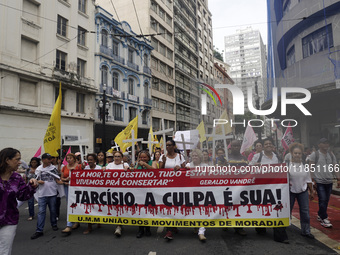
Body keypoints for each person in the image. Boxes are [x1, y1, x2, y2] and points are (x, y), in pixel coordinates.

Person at [249, 137, 288, 243]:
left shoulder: (278, 157)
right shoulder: (257, 156)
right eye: (266, 144)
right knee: (262, 207)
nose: (268, 145)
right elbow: (248, 169)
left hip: (276, 188)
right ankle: (261, 227)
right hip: (261, 188)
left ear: (273, 146)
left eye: (270, 143)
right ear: (263, 146)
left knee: (277, 209)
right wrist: (254, 166)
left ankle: (280, 235)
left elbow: (284, 170)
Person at [0, 148, 38, 255]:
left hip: (9, 220)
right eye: (17, 159)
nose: (20, 162)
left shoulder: (17, 178)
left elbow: (23, 196)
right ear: (7, 160)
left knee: (4, 251)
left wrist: (31, 186)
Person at [308, 138, 340, 228]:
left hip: (329, 181)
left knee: (325, 200)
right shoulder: (315, 155)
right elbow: (311, 168)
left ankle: (320, 214)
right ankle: (324, 218)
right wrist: (312, 180)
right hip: (319, 181)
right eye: (324, 143)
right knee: (322, 199)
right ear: (319, 145)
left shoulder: (331, 154)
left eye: (327, 143)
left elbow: (335, 167)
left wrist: (338, 178)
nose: (326, 145)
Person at [31, 153, 63, 240]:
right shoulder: (39, 169)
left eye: (51, 159)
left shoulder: (53, 168)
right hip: (42, 194)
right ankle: (39, 230)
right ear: (43, 160)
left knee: (53, 210)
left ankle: (54, 224)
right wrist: (38, 182)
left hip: (52, 193)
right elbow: (35, 179)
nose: (50, 160)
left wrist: (67, 183)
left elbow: (57, 179)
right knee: (41, 212)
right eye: (48, 159)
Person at [159, 139, 185, 240]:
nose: (168, 147)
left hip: (178, 185)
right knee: (168, 206)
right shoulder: (163, 156)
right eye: (167, 145)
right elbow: (160, 171)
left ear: (174, 146)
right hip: (167, 186)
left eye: (170, 145)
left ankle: (173, 225)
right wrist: (164, 162)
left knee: (176, 205)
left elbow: (185, 169)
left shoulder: (179, 156)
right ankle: (169, 230)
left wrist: (180, 168)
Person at [287, 143, 314, 239]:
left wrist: (311, 191)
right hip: (290, 192)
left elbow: (308, 179)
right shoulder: (287, 164)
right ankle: (284, 230)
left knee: (305, 212)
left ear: (302, 154)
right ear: (292, 153)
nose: (297, 155)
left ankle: (306, 231)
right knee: (287, 211)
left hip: (303, 191)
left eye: (299, 153)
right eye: (295, 153)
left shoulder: (305, 164)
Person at [185, 149, 208, 241]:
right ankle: (195, 226)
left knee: (202, 210)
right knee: (193, 209)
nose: (194, 157)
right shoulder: (188, 165)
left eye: (196, 156)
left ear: (200, 157)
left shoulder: (205, 166)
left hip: (203, 192)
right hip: (191, 192)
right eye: (193, 156)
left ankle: (201, 232)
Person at [227, 140, 248, 236]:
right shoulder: (226, 158)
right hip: (228, 187)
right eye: (234, 146)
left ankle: (239, 227)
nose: (235, 148)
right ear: (230, 147)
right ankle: (225, 223)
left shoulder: (244, 158)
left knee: (239, 207)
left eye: (237, 146)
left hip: (240, 187)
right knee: (227, 206)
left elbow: (248, 171)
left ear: (240, 147)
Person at [106, 151, 129, 236]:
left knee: (121, 207)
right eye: (115, 156)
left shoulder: (125, 165)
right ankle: (118, 225)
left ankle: (119, 225)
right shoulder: (110, 165)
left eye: (118, 156)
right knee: (115, 207)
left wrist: (128, 170)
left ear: (122, 157)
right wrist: (104, 169)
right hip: (112, 190)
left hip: (123, 190)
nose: (116, 158)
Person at [135, 151, 155, 238]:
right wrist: (136, 166)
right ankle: (140, 229)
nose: (142, 159)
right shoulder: (137, 164)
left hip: (149, 189)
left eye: (144, 158)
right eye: (141, 158)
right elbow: (134, 172)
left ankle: (147, 228)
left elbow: (155, 170)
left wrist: (145, 165)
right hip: (139, 190)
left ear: (148, 158)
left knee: (148, 208)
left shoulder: (152, 162)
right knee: (140, 209)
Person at [61, 153, 82, 234]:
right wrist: (66, 179)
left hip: (77, 188)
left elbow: (82, 176)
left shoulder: (79, 166)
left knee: (77, 204)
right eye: (67, 158)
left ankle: (76, 221)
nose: (69, 159)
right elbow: (62, 178)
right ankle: (69, 224)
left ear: (74, 158)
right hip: (68, 187)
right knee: (70, 204)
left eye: (70, 158)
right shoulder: (64, 167)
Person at [82, 153, 102, 234]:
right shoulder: (85, 168)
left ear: (95, 161)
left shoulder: (99, 168)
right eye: (88, 160)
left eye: (91, 160)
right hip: (88, 191)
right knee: (88, 208)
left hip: (97, 191)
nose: (89, 161)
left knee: (97, 207)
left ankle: (98, 221)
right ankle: (89, 226)